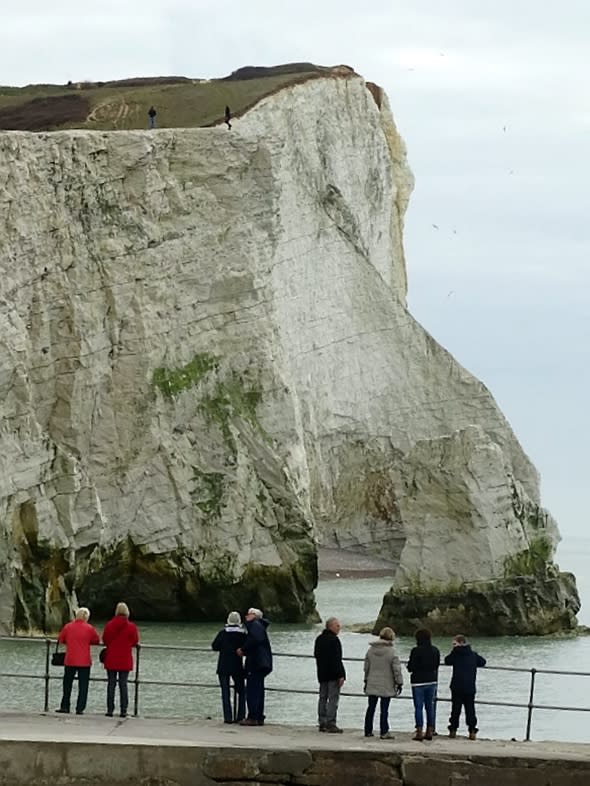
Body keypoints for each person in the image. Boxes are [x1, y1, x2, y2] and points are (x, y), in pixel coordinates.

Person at [56, 607, 100, 715]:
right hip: (84, 661)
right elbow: (96, 640)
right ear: (86, 617)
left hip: (70, 660)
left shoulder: (68, 627)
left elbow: (61, 639)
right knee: (83, 686)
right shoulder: (89, 628)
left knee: (67, 684)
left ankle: (65, 706)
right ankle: (80, 708)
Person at [363, 626, 403, 740]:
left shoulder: (370, 650)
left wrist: (366, 680)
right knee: (384, 709)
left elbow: (366, 668)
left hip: (372, 681)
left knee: (371, 707)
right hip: (386, 683)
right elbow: (396, 670)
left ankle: (368, 730)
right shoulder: (391, 652)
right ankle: (384, 731)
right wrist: (399, 683)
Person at [101, 602, 140, 718]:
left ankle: (110, 710)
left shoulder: (109, 625)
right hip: (125, 659)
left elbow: (105, 640)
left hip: (111, 658)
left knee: (111, 684)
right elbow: (135, 641)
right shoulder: (131, 626)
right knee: (123, 684)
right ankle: (123, 710)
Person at [444, 634, 486, 740]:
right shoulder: (472, 654)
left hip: (457, 686)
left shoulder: (455, 654)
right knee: (470, 709)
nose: (453, 646)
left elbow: (447, 661)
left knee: (455, 709)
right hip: (470, 686)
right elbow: (483, 662)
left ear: (461, 643)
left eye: (454, 644)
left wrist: (453, 651)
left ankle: (453, 730)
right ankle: (472, 731)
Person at [237, 608, 273, 726]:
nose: (246, 616)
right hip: (262, 663)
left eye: (249, 614)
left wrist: (243, 649)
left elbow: (254, 640)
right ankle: (258, 716)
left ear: (254, 616)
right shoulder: (259, 626)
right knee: (259, 690)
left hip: (256, 663)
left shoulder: (255, 625)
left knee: (252, 690)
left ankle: (252, 716)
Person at [211, 611, 247, 723]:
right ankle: (240, 715)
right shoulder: (242, 634)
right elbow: (246, 648)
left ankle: (228, 717)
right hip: (237, 666)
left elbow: (215, 646)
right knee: (241, 691)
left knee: (225, 692)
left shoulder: (223, 633)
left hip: (223, 665)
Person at [313, 617, 346, 733]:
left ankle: (322, 721)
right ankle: (331, 722)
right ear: (331, 626)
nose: (339, 628)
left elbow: (316, 655)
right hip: (333, 674)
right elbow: (337, 659)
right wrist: (341, 675)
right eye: (337, 626)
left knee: (322, 697)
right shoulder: (334, 640)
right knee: (333, 699)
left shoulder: (319, 639)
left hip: (322, 673)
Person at [407, 627, 440, 741]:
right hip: (432, 680)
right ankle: (430, 730)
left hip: (418, 681)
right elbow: (436, 665)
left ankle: (419, 731)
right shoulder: (435, 650)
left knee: (418, 707)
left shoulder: (416, 650)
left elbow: (411, 667)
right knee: (429, 706)